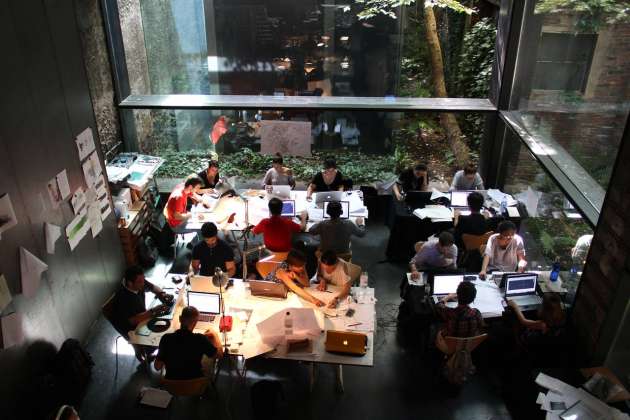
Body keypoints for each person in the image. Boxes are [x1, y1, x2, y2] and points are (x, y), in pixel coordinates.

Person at [111, 266, 172, 361]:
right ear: (130, 283)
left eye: (144, 279)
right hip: (132, 328)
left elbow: (152, 287)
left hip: (142, 317)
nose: (143, 283)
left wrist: (162, 294)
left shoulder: (139, 283)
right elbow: (133, 321)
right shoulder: (123, 299)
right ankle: (149, 355)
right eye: (140, 282)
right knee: (164, 339)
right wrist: (152, 311)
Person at [154, 306, 223, 380]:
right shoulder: (200, 339)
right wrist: (215, 334)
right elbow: (219, 355)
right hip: (195, 385)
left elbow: (157, 367)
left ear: (180, 319)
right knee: (208, 360)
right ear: (196, 322)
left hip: (171, 386)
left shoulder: (166, 338)